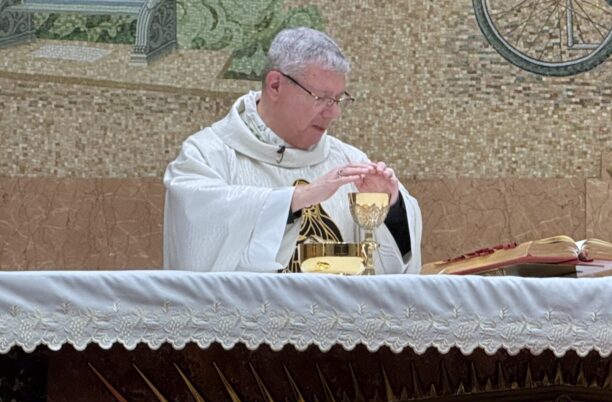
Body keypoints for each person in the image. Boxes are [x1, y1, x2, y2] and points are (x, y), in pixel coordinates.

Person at [164, 27, 422, 273]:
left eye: (339, 99)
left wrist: (392, 205)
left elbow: (391, 268)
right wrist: (296, 199)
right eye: (321, 98)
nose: (334, 113)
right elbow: (197, 230)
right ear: (275, 85)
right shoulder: (206, 155)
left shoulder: (348, 161)